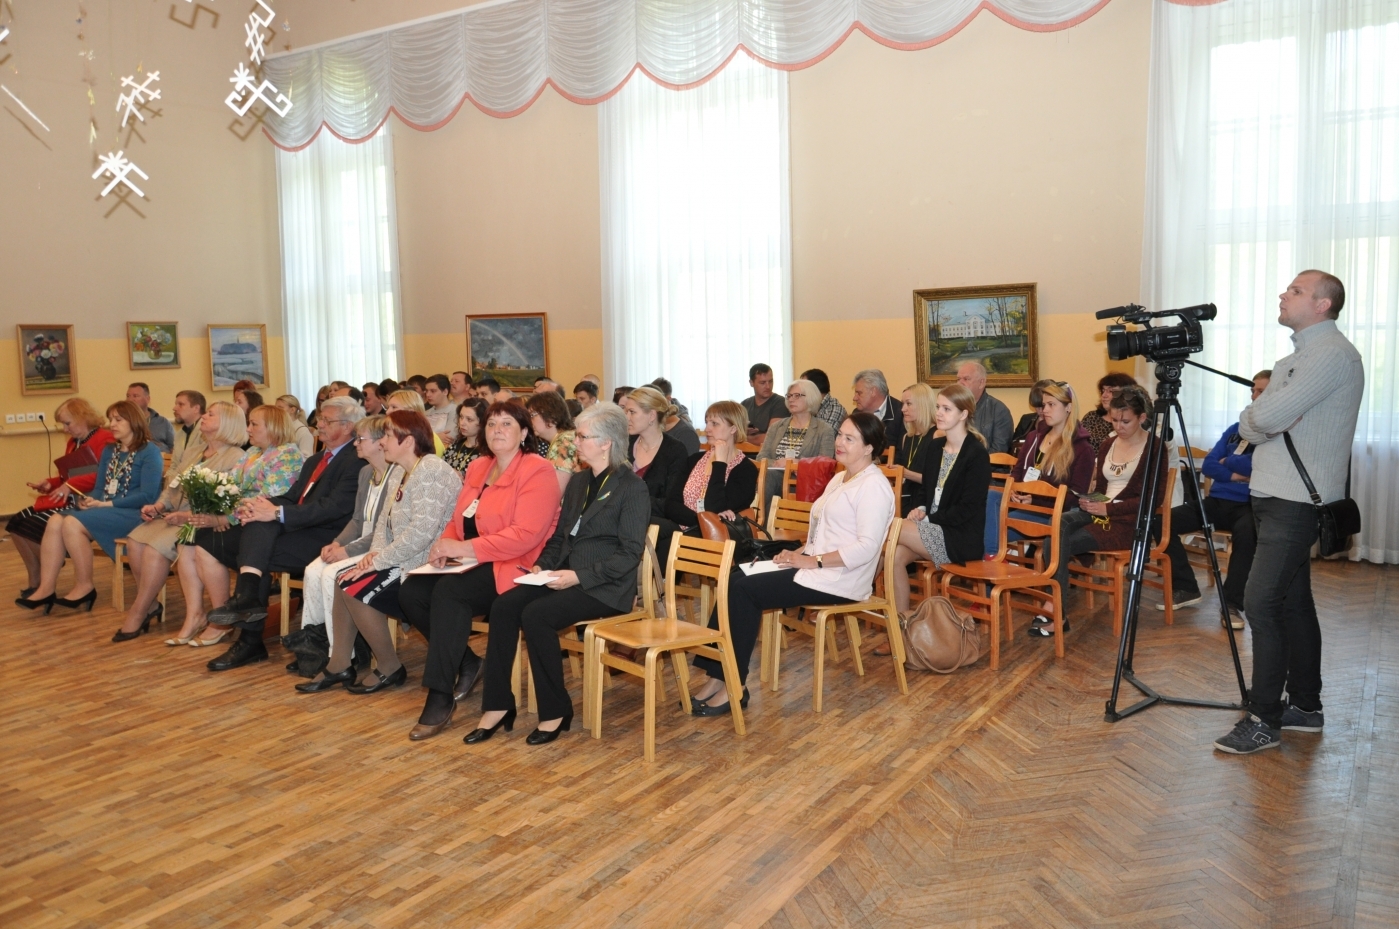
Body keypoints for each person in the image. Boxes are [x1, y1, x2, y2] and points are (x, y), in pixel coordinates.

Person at [1214, 270, 1364, 755]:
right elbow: (1264, 419)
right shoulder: (1297, 357)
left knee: (1260, 604)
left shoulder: (1331, 355)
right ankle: (1305, 705)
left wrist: (1260, 416)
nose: (1283, 294)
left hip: (1295, 502)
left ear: (1323, 304)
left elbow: (1264, 418)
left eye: (1296, 291)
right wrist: (1263, 416)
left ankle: (1263, 720)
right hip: (1276, 496)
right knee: (1294, 604)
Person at [464, 403, 649, 746]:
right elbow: (561, 535)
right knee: (505, 606)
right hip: (565, 575)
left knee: (537, 615)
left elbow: (629, 554)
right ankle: (498, 705)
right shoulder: (579, 482)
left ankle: (555, 711)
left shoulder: (631, 487)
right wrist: (543, 566)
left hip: (604, 586)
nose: (574, 442)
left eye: (582, 436)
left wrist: (577, 577)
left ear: (606, 442)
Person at [686, 412, 896, 714]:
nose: (839, 442)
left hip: (840, 578)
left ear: (869, 448)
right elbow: (824, 532)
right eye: (840, 434)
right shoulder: (841, 477)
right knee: (734, 577)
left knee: (746, 591)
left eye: (850, 438)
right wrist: (795, 554)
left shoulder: (873, 487)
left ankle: (734, 684)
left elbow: (866, 548)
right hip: (816, 566)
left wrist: (812, 560)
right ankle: (717, 676)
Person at [397, 401, 561, 740]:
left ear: (524, 433)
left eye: (507, 424)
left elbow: (524, 535)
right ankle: (467, 662)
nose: (497, 430)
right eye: (491, 424)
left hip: (512, 564)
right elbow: (459, 521)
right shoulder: (479, 468)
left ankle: (440, 695)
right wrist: (445, 545)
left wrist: (464, 549)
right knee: (411, 591)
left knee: (449, 594)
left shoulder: (537, 470)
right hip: (471, 559)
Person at [296, 411, 459, 696]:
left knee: (353, 588)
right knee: (343, 578)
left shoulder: (432, 470)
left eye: (386, 435)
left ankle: (389, 666)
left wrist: (378, 561)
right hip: (401, 556)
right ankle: (339, 665)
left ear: (407, 441)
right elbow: (384, 522)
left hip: (425, 562)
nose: (382, 442)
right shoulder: (400, 470)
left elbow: (421, 535)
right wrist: (374, 555)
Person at [198, 396, 366, 671]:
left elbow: (332, 508)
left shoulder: (355, 460)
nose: (318, 424)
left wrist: (275, 513)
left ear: (348, 427)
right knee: (236, 533)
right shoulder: (315, 459)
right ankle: (249, 602)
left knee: (256, 550)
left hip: (330, 536)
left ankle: (250, 634)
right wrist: (263, 506)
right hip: (300, 528)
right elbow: (291, 497)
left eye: (326, 420)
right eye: (319, 419)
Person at [114, 402, 247, 643]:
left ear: (227, 422)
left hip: (198, 520)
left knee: (154, 550)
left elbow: (226, 503)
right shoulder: (194, 451)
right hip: (174, 514)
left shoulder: (235, 457)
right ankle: (152, 603)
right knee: (135, 541)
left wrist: (185, 516)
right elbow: (172, 487)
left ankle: (139, 610)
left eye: (210, 414)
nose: (203, 417)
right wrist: (158, 506)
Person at [17, 401, 163, 615]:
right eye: (111, 419)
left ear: (133, 422)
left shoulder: (149, 451)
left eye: (118, 419)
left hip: (135, 513)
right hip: (107, 508)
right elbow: (99, 488)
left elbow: (148, 496)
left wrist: (106, 503)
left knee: (72, 523)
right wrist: (87, 499)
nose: (111, 424)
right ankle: (46, 588)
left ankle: (84, 586)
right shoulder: (110, 450)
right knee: (56, 520)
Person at [1044, 385, 1167, 638]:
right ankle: (1055, 607)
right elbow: (1101, 487)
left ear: (1142, 418)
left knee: (1059, 540)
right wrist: (1090, 501)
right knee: (1056, 527)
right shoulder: (1108, 443)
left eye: (1125, 421)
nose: (1118, 426)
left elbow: (1151, 501)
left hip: (1127, 523)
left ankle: (1056, 611)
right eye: (1114, 420)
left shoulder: (1155, 448)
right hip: (1100, 512)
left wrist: (1107, 508)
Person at [179, 405, 304, 649]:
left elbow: (269, 498)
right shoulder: (254, 452)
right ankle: (223, 612)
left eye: (254, 424)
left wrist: (226, 519)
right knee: (205, 541)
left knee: (213, 539)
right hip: (246, 520)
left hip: (271, 525)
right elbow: (232, 487)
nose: (248, 429)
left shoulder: (287, 454)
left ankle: (234, 615)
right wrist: (221, 513)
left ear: (274, 427)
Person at [1159, 370, 1270, 629]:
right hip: (1217, 502)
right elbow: (1209, 465)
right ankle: (1186, 587)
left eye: (1261, 391)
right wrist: (1238, 474)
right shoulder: (1236, 429)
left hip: (1249, 506)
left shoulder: (1272, 432)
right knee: (1161, 522)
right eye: (1253, 390)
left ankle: (1231, 605)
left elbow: (1261, 464)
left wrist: (1228, 463)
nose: (1254, 396)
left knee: (1247, 534)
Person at [292, 414, 396, 663]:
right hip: (360, 542)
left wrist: (348, 551)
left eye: (361, 439)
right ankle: (312, 646)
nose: (356, 444)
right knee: (313, 569)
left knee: (332, 575)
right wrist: (338, 543)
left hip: (380, 547)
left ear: (381, 442)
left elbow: (386, 530)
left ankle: (340, 653)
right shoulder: (365, 473)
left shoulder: (396, 476)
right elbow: (358, 520)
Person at [889, 386, 992, 618]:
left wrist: (928, 518)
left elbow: (968, 508)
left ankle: (851, 587)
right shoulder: (935, 447)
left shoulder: (976, 454)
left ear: (963, 415)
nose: (939, 413)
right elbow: (927, 490)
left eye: (947, 409)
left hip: (959, 536)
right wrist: (920, 509)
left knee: (889, 527)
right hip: (931, 527)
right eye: (938, 407)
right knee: (893, 557)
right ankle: (901, 627)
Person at [7, 399, 113, 596]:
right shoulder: (74, 442)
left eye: (67, 423)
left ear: (82, 418)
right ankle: (36, 578)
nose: (65, 430)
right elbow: (68, 476)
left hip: (92, 502)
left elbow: (103, 476)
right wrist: (51, 484)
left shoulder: (105, 439)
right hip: (73, 498)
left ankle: (48, 569)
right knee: (15, 523)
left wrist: (68, 485)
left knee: (31, 525)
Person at [986, 381, 1094, 557]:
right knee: (991, 497)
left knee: (992, 525)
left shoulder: (1082, 448)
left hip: (1051, 512)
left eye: (1051, 405)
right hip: (1024, 505)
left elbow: (1075, 495)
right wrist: (1014, 490)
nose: (1045, 410)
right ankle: (992, 561)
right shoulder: (1033, 437)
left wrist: (1035, 501)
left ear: (1068, 407)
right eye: (1044, 405)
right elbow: (1017, 472)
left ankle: (990, 566)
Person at [622, 386, 691, 565]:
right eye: (625, 411)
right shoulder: (624, 444)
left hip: (659, 519)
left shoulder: (675, 450)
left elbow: (670, 502)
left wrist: (631, 504)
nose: (626, 417)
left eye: (632, 412)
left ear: (652, 416)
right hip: (625, 515)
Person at [668, 402, 759, 531]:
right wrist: (701, 520)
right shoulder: (694, 460)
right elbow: (671, 504)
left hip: (717, 534)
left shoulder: (746, 470)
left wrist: (720, 464)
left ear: (733, 429)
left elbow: (715, 507)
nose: (707, 429)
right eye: (707, 423)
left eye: (714, 424)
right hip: (687, 525)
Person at [757, 379, 836, 505]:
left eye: (797, 395)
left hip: (802, 482)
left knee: (768, 479)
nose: (791, 399)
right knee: (766, 477)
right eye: (789, 396)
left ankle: (759, 522)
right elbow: (762, 457)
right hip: (773, 478)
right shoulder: (777, 427)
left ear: (811, 397)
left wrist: (797, 464)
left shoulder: (824, 429)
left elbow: (824, 464)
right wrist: (780, 463)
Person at [892, 384, 939, 517]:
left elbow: (936, 481)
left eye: (908, 404)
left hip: (925, 504)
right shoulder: (906, 437)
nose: (903, 409)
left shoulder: (937, 435)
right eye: (903, 404)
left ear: (923, 404)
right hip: (904, 498)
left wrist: (905, 473)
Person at [525, 391, 579, 492]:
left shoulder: (562, 442)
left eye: (532, 415)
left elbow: (555, 492)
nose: (529, 420)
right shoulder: (568, 436)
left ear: (551, 414)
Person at [956, 361, 1014, 454]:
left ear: (981, 383)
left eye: (966, 379)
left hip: (987, 467)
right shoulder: (953, 408)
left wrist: (968, 462)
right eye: (958, 379)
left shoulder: (998, 410)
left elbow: (999, 451)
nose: (960, 383)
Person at [852, 369, 904, 456]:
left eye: (859, 393)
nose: (854, 398)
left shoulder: (900, 413)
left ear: (873, 391)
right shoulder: (857, 414)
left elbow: (901, 454)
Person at [1080, 372, 1139, 449]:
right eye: (1103, 390)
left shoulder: (1131, 421)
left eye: (1111, 391)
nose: (1104, 395)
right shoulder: (1092, 416)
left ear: (1126, 394)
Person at [386, 389, 447, 455]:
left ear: (410, 412)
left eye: (394, 407)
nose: (387, 412)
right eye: (388, 407)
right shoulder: (394, 434)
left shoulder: (429, 439)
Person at [741, 363, 788, 443]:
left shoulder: (781, 403)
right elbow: (731, 433)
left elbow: (770, 437)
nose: (768, 386)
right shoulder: (744, 404)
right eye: (762, 383)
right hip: (743, 452)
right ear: (751, 383)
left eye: (770, 381)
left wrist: (743, 437)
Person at [442, 398, 489, 474]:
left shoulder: (487, 452)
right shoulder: (453, 447)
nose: (462, 423)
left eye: (469, 419)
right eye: (461, 417)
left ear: (482, 423)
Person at [127, 382, 174, 454]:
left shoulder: (162, 422)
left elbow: (174, 448)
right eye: (128, 396)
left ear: (148, 399)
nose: (130, 400)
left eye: (135, 396)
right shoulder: (122, 422)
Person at [1011, 379, 1057, 449]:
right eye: (1037, 407)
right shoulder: (1026, 420)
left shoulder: (1060, 424)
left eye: (1043, 406)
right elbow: (1012, 447)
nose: (1041, 411)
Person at [168, 390, 208, 471]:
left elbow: (202, 466)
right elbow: (174, 466)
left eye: (181, 404)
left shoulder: (206, 432)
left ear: (196, 408)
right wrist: (169, 482)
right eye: (176, 404)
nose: (174, 408)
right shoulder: (179, 434)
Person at [423, 374, 457, 441]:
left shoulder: (455, 410)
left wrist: (428, 437)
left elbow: (449, 437)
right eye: (426, 391)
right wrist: (437, 436)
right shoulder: (426, 413)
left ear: (445, 392)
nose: (428, 395)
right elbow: (419, 437)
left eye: (433, 391)